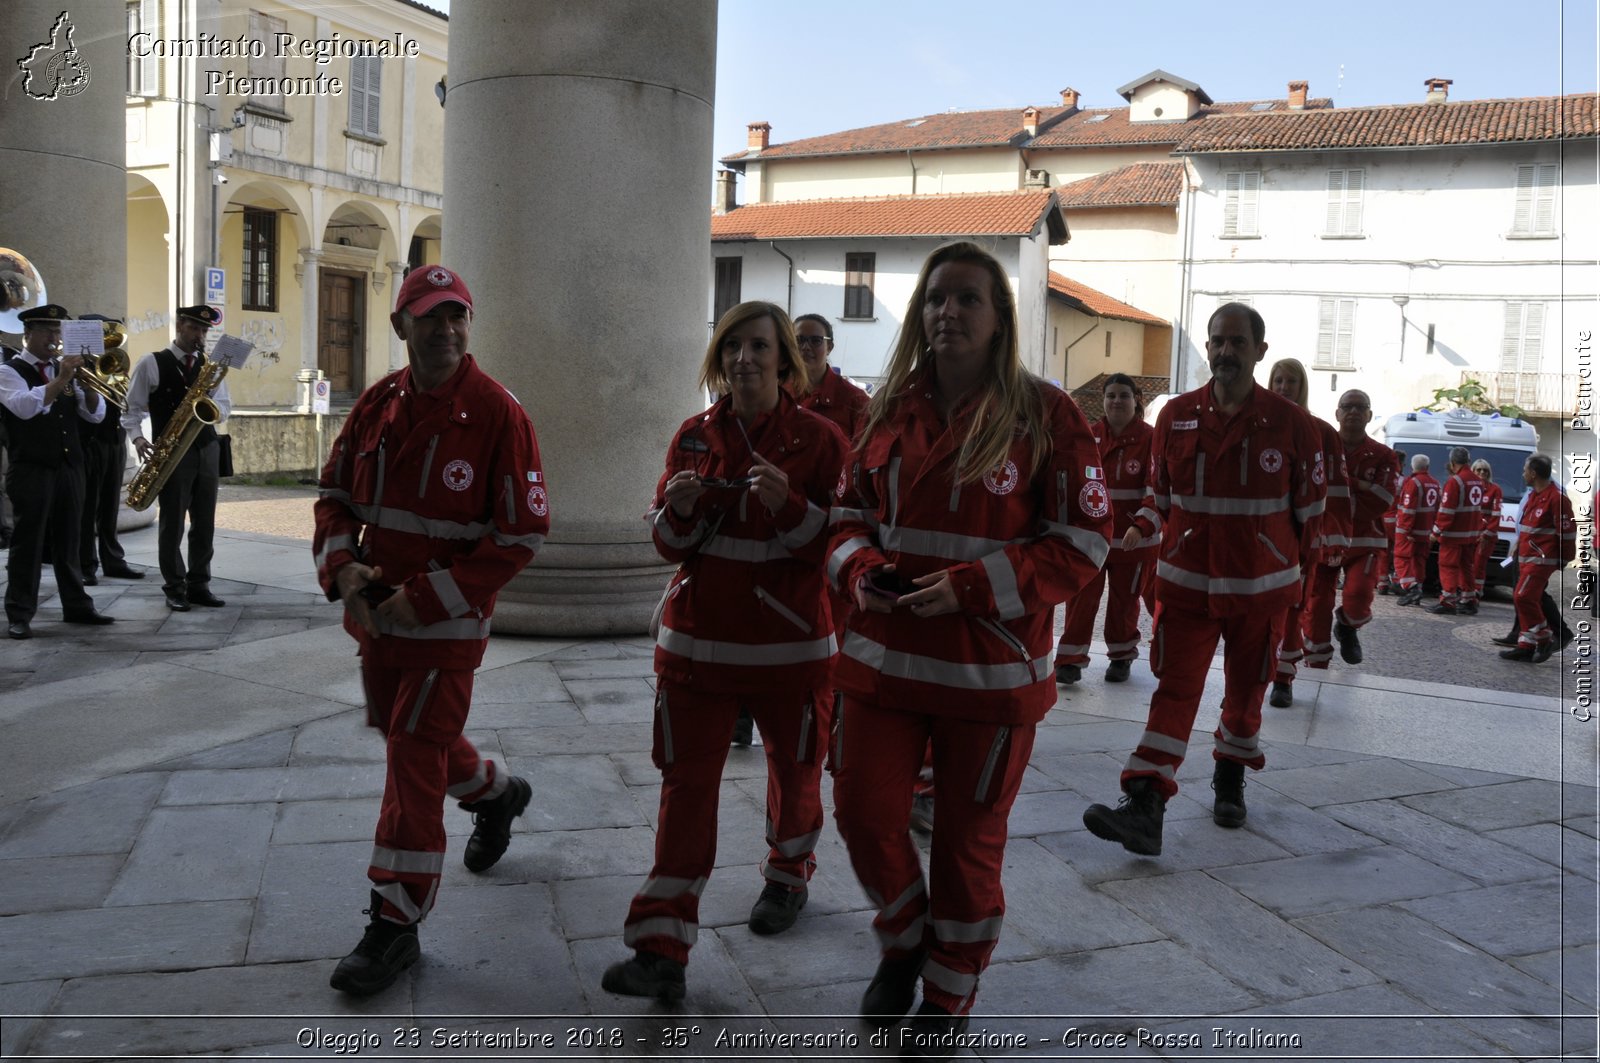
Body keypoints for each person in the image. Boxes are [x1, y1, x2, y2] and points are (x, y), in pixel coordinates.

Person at [827, 242, 1110, 1048]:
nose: (946, 312)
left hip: (989, 680)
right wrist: (862, 571)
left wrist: (974, 586)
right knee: (861, 814)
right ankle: (906, 933)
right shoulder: (888, 409)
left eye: (967, 300)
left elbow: (1086, 543)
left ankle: (947, 997)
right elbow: (845, 519)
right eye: (935, 299)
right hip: (880, 665)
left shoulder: (1046, 416)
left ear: (999, 320)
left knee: (965, 844)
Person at [602, 300, 848, 1004]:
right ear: (719, 356)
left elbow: (839, 543)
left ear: (785, 361)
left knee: (797, 772)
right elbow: (666, 543)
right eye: (733, 345)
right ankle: (661, 945)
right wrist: (678, 512)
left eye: (760, 347)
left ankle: (788, 874)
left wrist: (791, 507)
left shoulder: (822, 442)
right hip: (697, 649)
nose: (745, 358)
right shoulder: (691, 437)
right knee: (684, 791)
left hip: (789, 649)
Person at [312, 265, 548, 996]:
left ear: (469, 324)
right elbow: (333, 499)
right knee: (413, 738)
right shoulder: (377, 404)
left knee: (412, 757)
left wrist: (431, 596)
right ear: (400, 326)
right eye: (428, 317)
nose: (445, 330)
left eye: (457, 316)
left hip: (446, 628)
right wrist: (343, 568)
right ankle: (495, 793)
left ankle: (394, 920)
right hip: (378, 622)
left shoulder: (500, 414)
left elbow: (522, 533)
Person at [1083, 303, 1325, 854]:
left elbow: (1311, 518)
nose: (1225, 352)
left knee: (1244, 694)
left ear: (1259, 350)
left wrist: (1299, 594)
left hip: (1260, 594)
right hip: (1188, 585)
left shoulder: (1292, 424)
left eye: (1237, 342)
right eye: (1217, 341)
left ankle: (1230, 778)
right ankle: (1145, 804)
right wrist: (1144, 524)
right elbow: (1161, 497)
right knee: (1174, 692)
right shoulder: (1175, 416)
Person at [1, 304, 116, 638]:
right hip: (31, 469)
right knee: (28, 543)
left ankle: (77, 605)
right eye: (47, 332)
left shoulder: (63, 370)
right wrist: (63, 378)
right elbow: (24, 408)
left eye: (57, 331)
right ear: (28, 334)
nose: (54, 339)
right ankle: (20, 613)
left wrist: (91, 386)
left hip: (69, 466)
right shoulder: (9, 371)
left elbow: (93, 415)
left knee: (71, 539)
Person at [121, 305, 231, 612]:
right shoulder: (151, 363)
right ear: (180, 325)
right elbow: (131, 409)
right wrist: (139, 438)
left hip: (206, 449)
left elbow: (225, 407)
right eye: (194, 328)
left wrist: (209, 407)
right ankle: (174, 586)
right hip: (171, 453)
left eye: (204, 331)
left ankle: (200, 584)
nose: (200, 336)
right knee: (172, 524)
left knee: (204, 523)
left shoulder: (211, 366)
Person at [1055, 373, 1158, 685]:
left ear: (1136, 398)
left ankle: (1122, 657)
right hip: (1092, 540)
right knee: (1080, 600)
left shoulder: (1151, 439)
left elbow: (1158, 490)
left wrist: (1140, 526)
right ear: (1103, 400)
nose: (1116, 401)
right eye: (1110, 395)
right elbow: (1073, 482)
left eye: (1123, 395)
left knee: (1125, 603)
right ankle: (1070, 660)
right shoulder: (1089, 436)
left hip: (1133, 542)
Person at [1262, 358, 1346, 709]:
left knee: (1295, 607)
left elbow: (1337, 491)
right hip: (1262, 537)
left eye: (1291, 382)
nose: (1283, 388)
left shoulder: (1322, 432)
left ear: (1303, 386)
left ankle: (1284, 677)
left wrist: (1334, 536)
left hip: (1303, 539)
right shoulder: (1258, 426)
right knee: (1261, 611)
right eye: (1278, 381)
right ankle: (1255, 675)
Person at [1302, 390, 1399, 670]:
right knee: (1317, 604)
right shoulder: (1320, 447)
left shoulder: (1384, 455)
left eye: (1360, 407)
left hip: (1364, 539)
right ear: (1337, 413)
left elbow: (1382, 500)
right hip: (1324, 538)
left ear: (1369, 415)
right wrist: (1360, 485)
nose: (1353, 412)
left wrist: (1342, 491)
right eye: (1347, 406)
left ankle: (1347, 625)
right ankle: (1316, 661)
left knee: (1358, 595)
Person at [76, 314, 143, 584]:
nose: (105, 342)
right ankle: (85, 564)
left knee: (111, 505)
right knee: (88, 506)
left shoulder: (113, 363)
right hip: (90, 443)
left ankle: (113, 560)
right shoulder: (77, 365)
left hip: (115, 441)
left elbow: (126, 402)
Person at [1501, 453, 1576, 662]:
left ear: (1533, 473)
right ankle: (1526, 644)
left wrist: (1564, 558)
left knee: (1522, 597)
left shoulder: (1557, 498)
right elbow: (1527, 528)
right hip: (1526, 559)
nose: (1523, 474)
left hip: (1541, 561)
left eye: (1525, 470)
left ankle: (1544, 637)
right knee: (1526, 598)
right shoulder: (1534, 496)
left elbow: (1567, 533)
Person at [1427, 446, 1486, 615]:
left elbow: (1446, 512)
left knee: (1448, 566)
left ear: (1453, 463)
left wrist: (1435, 533)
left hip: (1453, 535)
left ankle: (1448, 601)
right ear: (1468, 461)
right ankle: (1469, 600)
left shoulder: (1455, 481)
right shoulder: (1477, 480)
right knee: (1466, 566)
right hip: (1470, 535)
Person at [1393, 454, 1440, 606]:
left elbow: (1408, 509)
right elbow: (1438, 508)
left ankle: (1411, 588)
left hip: (1410, 531)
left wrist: (1405, 530)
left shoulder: (1413, 483)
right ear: (1427, 466)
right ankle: (1418, 588)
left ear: (1413, 467)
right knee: (1419, 561)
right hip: (1425, 531)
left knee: (1402, 558)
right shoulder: (1435, 483)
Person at [1470, 459, 1503, 605]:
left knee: (1478, 564)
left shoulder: (1495, 489)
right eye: (1478, 470)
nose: (1482, 472)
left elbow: (1496, 515)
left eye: (1485, 470)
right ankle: (1465, 590)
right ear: (1473, 471)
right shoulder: (1469, 487)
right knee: (1466, 564)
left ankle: (1477, 591)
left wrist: (1487, 534)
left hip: (1486, 536)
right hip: (1469, 533)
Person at [1377, 449, 1405, 594]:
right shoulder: (1404, 481)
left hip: (1383, 519)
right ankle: (1397, 580)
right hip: (1398, 522)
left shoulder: (1385, 478)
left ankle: (1382, 583)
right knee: (1398, 552)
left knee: (1384, 552)